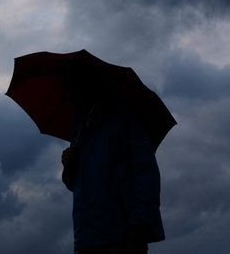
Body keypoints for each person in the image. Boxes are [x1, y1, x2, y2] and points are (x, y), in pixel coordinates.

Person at [61, 90, 165, 254]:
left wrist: (139, 226)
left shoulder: (123, 118)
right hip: (85, 238)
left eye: (70, 84)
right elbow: (78, 184)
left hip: (122, 238)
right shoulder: (80, 126)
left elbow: (146, 172)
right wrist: (69, 166)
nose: (67, 93)